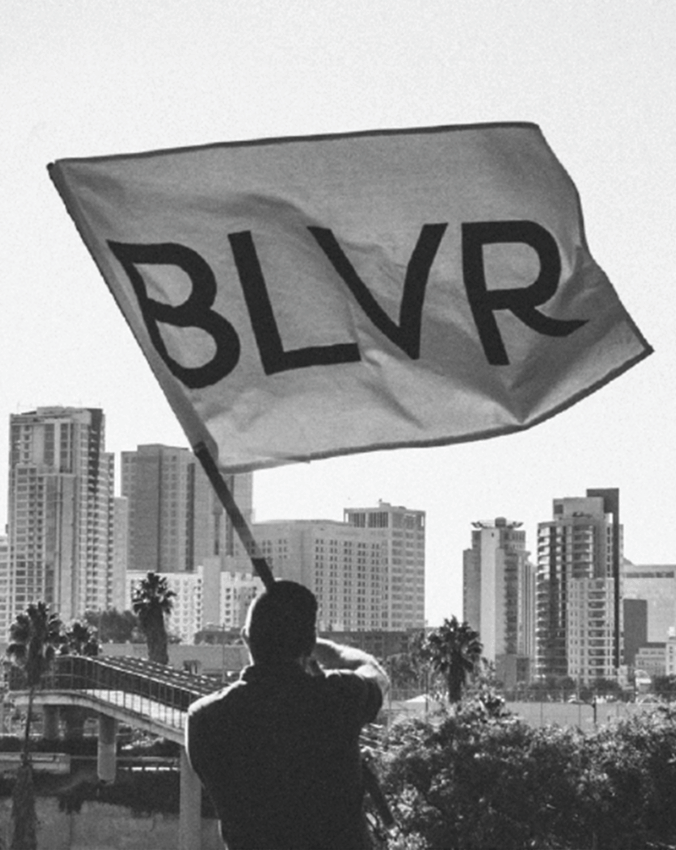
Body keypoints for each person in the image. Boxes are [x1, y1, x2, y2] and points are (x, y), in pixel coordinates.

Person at [186, 580, 390, 850]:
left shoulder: (204, 719)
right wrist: (319, 647)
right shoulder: (336, 698)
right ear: (306, 643)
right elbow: (375, 673)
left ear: (246, 637)